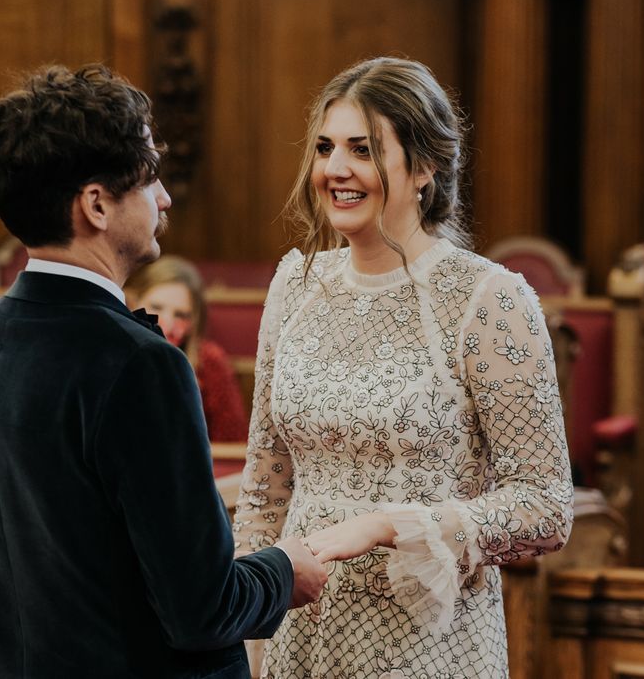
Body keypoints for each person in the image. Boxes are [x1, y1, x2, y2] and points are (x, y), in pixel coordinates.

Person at [0, 64, 327, 679]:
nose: (164, 198)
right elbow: (202, 611)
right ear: (98, 204)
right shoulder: (139, 365)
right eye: (150, 179)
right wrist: (283, 569)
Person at [233, 56, 573, 678]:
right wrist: (244, 633)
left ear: (424, 167)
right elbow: (265, 485)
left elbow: (545, 507)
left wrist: (396, 524)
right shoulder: (296, 282)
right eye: (325, 148)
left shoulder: (487, 299)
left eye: (362, 150)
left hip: (428, 640)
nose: (335, 170)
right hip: (299, 633)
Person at [126, 255, 248, 442]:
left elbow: (232, 440)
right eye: (156, 307)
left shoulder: (209, 362)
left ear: (194, 321)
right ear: (135, 303)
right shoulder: (117, 353)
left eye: (181, 314)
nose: (165, 321)